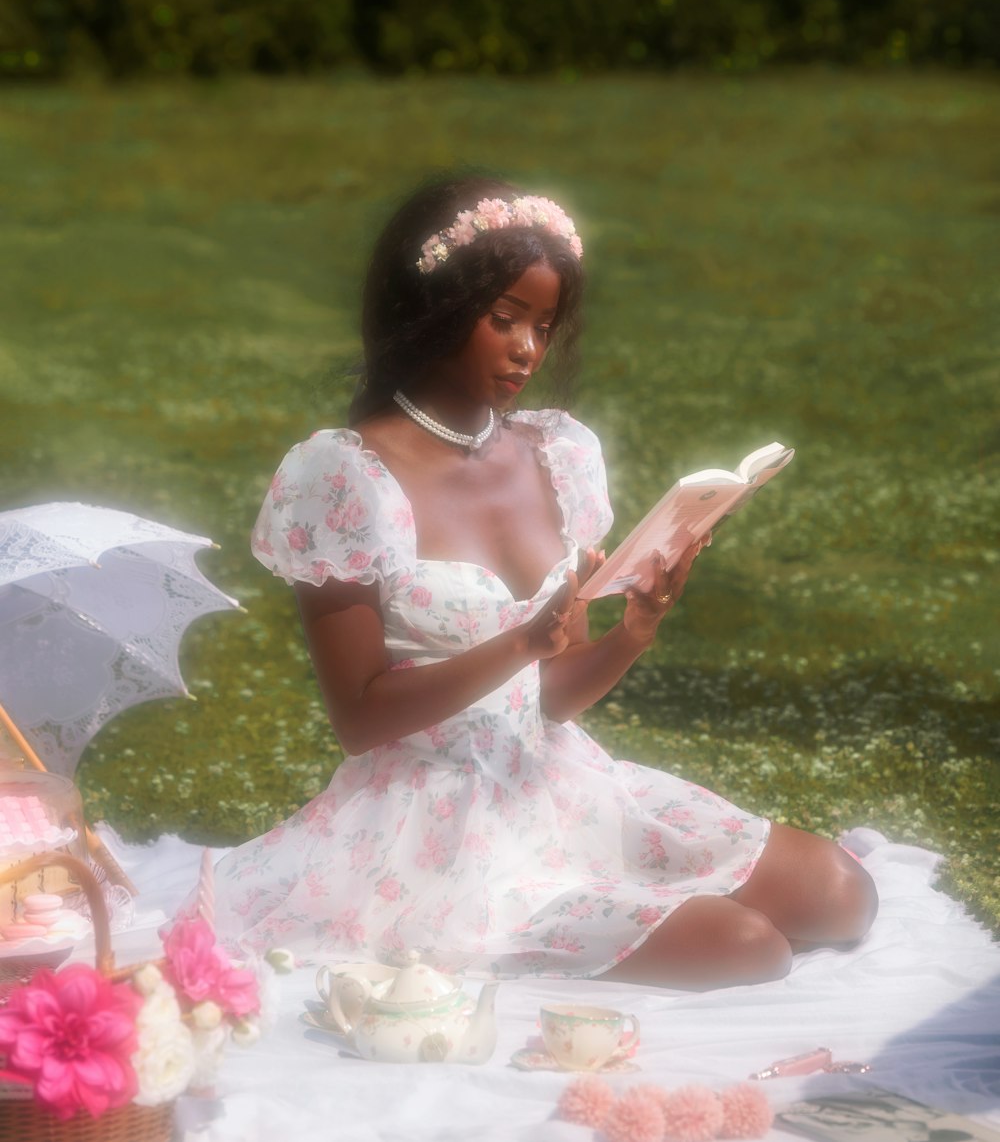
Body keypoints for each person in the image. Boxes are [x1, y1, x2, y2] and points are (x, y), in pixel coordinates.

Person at [212, 174, 877, 989]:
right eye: (504, 320)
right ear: (436, 306)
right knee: (751, 948)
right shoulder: (345, 477)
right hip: (434, 822)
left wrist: (634, 632)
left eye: (544, 324)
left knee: (844, 896)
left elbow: (551, 699)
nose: (529, 348)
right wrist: (521, 641)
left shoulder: (557, 453)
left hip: (557, 781)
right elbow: (359, 719)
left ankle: (631, 891)